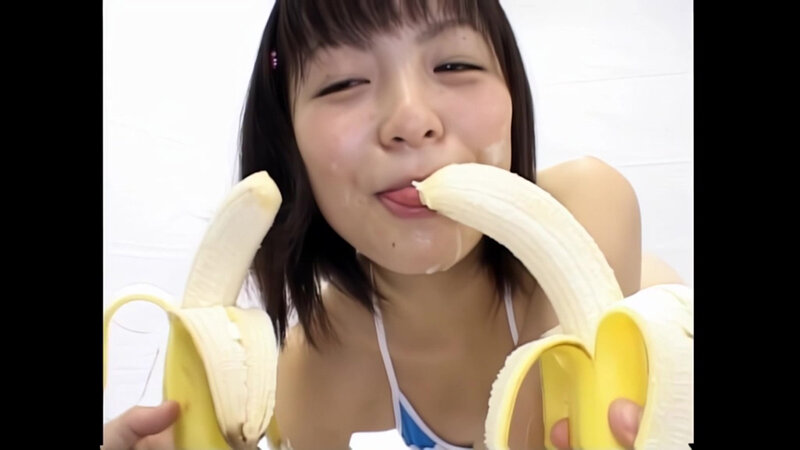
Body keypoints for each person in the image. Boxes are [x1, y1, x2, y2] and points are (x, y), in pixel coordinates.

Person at [103, 0, 687, 448]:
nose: (411, 120)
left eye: (455, 64)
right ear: (288, 142)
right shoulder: (312, 376)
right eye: (343, 83)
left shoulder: (588, 203)